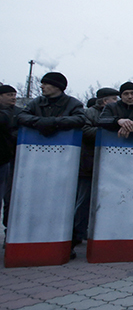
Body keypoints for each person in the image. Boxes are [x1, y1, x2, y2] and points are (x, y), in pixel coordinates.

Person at [17, 72, 86, 258]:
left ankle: (67, 242)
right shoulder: (35, 103)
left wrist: (53, 122)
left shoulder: (73, 103)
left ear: (57, 86)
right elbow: (21, 116)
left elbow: (80, 119)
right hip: (35, 159)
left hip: (64, 158)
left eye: (45, 84)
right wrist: (42, 122)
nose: (42, 87)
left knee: (64, 201)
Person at [74, 87, 119, 246]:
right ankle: (77, 233)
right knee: (84, 200)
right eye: (114, 99)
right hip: (89, 163)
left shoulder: (115, 113)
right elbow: (85, 130)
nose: (117, 101)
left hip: (108, 165)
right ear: (105, 101)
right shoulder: (89, 114)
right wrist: (107, 133)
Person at [0, 84, 21, 240]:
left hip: (7, 158)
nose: (13, 97)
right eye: (9, 95)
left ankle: (9, 231)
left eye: (14, 94)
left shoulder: (19, 113)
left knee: (9, 197)